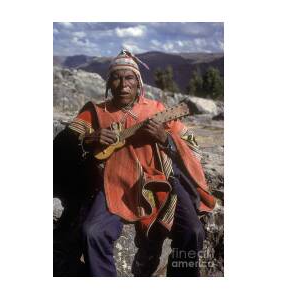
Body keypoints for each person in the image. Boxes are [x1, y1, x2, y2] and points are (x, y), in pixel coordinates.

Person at [56, 50, 216, 277]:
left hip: (162, 181)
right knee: (92, 232)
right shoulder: (96, 111)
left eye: (129, 78)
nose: (123, 85)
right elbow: (63, 144)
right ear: (109, 82)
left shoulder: (157, 110)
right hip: (114, 184)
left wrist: (166, 138)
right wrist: (89, 139)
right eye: (117, 77)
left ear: (138, 82)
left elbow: (191, 145)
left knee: (192, 231)